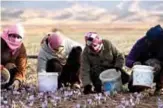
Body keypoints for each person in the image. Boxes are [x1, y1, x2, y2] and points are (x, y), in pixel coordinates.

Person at [126, 25, 163, 94]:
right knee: (133, 88)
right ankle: (143, 86)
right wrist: (134, 63)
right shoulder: (141, 43)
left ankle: (159, 87)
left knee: (154, 63)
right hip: (141, 70)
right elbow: (128, 59)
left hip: (158, 69)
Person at [1, 23, 27, 90]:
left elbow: (21, 69)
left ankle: (8, 84)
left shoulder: (21, 49)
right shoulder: (1, 42)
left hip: (8, 72)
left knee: (10, 66)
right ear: (8, 35)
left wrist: (17, 80)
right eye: (13, 36)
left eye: (18, 37)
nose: (15, 39)